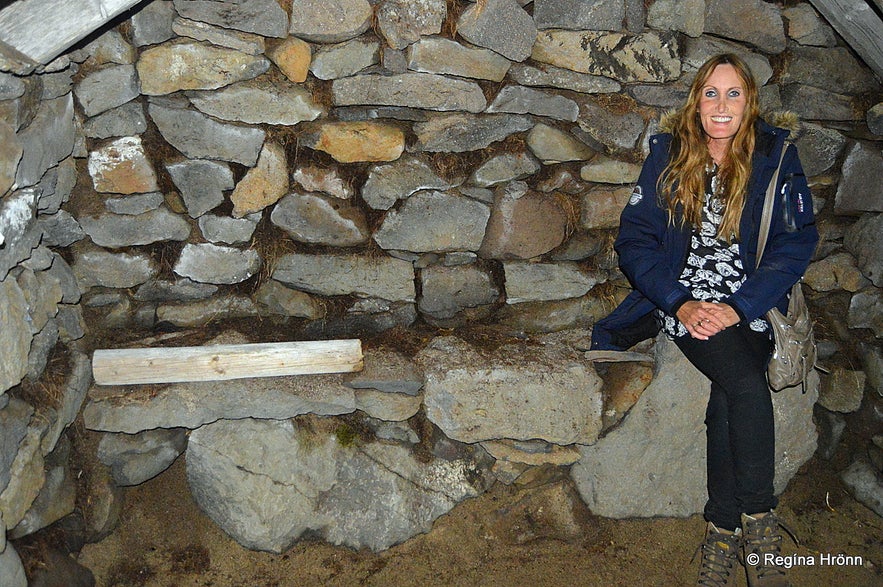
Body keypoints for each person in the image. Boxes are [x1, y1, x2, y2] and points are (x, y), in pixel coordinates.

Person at [590, 54, 818, 586]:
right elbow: (635, 241)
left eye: (733, 94)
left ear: (749, 101)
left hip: (752, 304)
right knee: (742, 381)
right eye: (711, 93)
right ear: (697, 100)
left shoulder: (776, 156)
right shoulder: (668, 154)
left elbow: (795, 241)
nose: (721, 105)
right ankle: (759, 520)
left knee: (729, 397)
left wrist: (740, 307)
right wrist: (680, 302)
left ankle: (722, 529)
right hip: (687, 302)